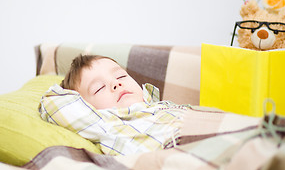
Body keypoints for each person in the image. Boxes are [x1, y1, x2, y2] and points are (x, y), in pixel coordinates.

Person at [39, 54, 259, 156]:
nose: (116, 84)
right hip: (189, 151)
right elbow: (52, 102)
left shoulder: (162, 104)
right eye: (98, 88)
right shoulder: (107, 124)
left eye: (121, 76)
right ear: (85, 108)